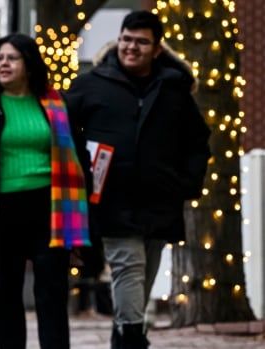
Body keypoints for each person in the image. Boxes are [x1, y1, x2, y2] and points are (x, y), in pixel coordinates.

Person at [63, 11, 211, 349]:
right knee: (128, 267)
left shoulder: (174, 91)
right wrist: (83, 178)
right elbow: (65, 134)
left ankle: (124, 331)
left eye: (141, 42)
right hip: (111, 200)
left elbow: (197, 142)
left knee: (143, 275)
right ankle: (132, 338)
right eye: (127, 39)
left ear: (156, 49)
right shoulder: (91, 85)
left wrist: (188, 183)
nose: (131, 47)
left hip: (161, 200)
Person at [0, 33, 91, 349]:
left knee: (52, 293)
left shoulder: (57, 104)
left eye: (12, 58)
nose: (3, 64)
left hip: (49, 209)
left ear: (29, 63)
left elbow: (78, 155)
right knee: (6, 293)